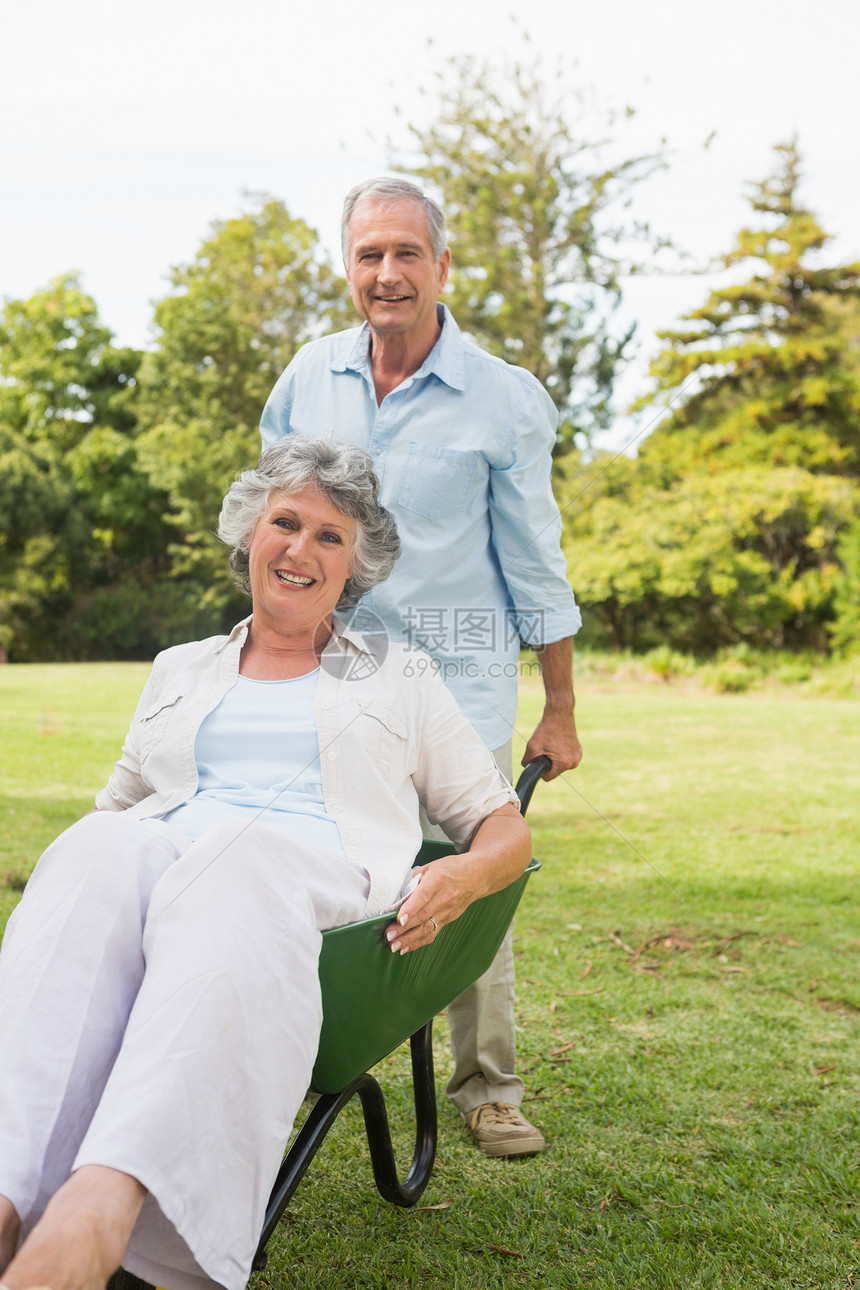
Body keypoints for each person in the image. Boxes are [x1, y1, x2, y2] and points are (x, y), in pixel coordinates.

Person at [0, 438, 531, 1290]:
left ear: (354, 568)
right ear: (248, 534)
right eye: (286, 522)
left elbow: (503, 827)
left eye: (331, 537)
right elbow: (119, 807)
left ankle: (101, 1210)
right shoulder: (180, 668)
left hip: (319, 901)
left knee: (234, 855)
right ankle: (9, 1199)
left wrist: (460, 876)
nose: (301, 549)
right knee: (97, 845)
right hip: (169, 875)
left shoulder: (398, 673)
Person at [260, 176, 583, 1158]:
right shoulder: (306, 382)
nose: (387, 273)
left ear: (441, 267)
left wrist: (560, 704)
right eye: (369, 255)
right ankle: (275, 1062)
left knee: (470, 880)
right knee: (304, 878)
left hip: (459, 689)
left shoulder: (501, 398)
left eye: (406, 253)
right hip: (334, 687)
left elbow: (533, 559)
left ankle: (488, 1088)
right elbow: (283, 539)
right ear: (348, 267)